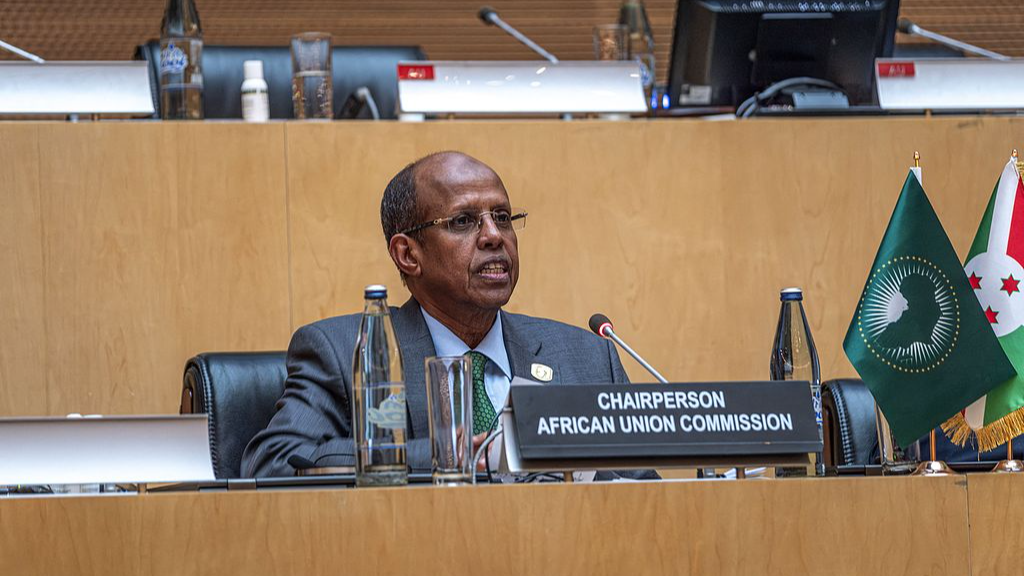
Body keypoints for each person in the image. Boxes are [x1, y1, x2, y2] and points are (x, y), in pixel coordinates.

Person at [242, 151, 640, 478]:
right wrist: (454, 454)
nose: (493, 236)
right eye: (464, 221)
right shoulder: (348, 351)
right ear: (407, 254)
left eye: (502, 217)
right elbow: (274, 462)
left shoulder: (587, 357)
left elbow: (647, 493)